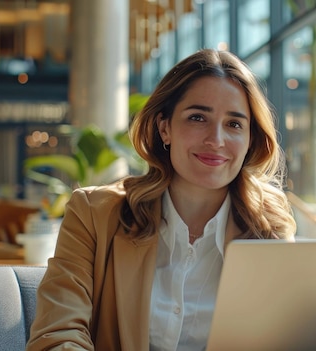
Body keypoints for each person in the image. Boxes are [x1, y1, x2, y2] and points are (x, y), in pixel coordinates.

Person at [26, 48, 296, 350]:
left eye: (234, 124)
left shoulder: (268, 230)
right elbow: (57, 335)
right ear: (164, 127)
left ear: (250, 140)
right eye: (197, 118)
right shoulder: (93, 215)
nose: (216, 140)